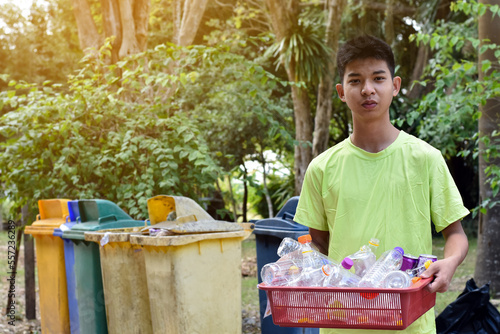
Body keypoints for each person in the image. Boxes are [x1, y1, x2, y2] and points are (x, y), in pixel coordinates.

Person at [293, 35, 470, 334]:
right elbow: (319, 245)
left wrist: (450, 262)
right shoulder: (322, 168)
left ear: (395, 85)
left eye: (378, 78)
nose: (367, 89)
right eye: (355, 80)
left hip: (410, 323)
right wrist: (298, 269)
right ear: (341, 91)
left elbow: (456, 234)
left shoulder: (425, 158)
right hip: (342, 323)